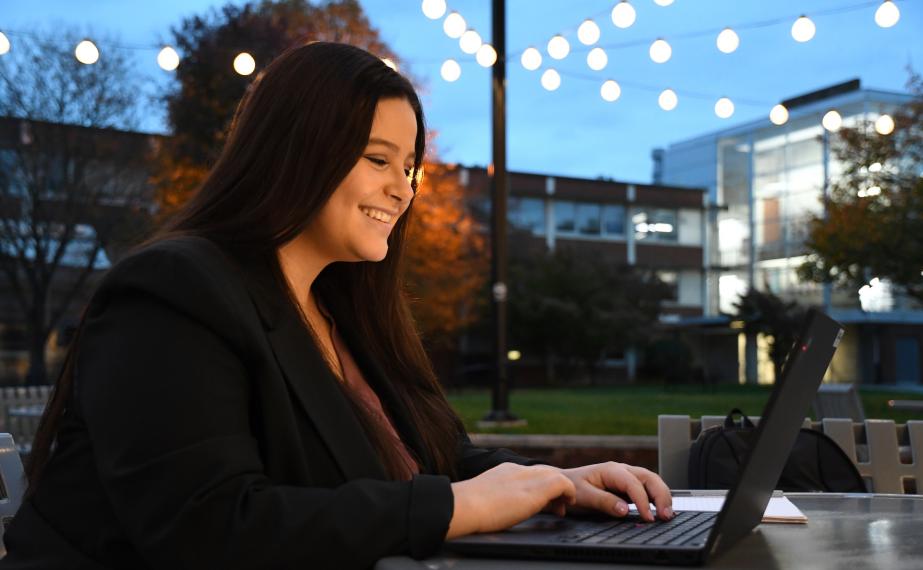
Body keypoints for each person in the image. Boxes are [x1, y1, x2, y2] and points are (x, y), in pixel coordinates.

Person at [1, 42, 672, 569]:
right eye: (377, 159)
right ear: (298, 150)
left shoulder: (345, 310)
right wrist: (452, 507)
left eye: (409, 166)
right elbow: (210, 530)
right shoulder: (173, 290)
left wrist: (554, 484)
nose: (402, 190)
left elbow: (440, 463)